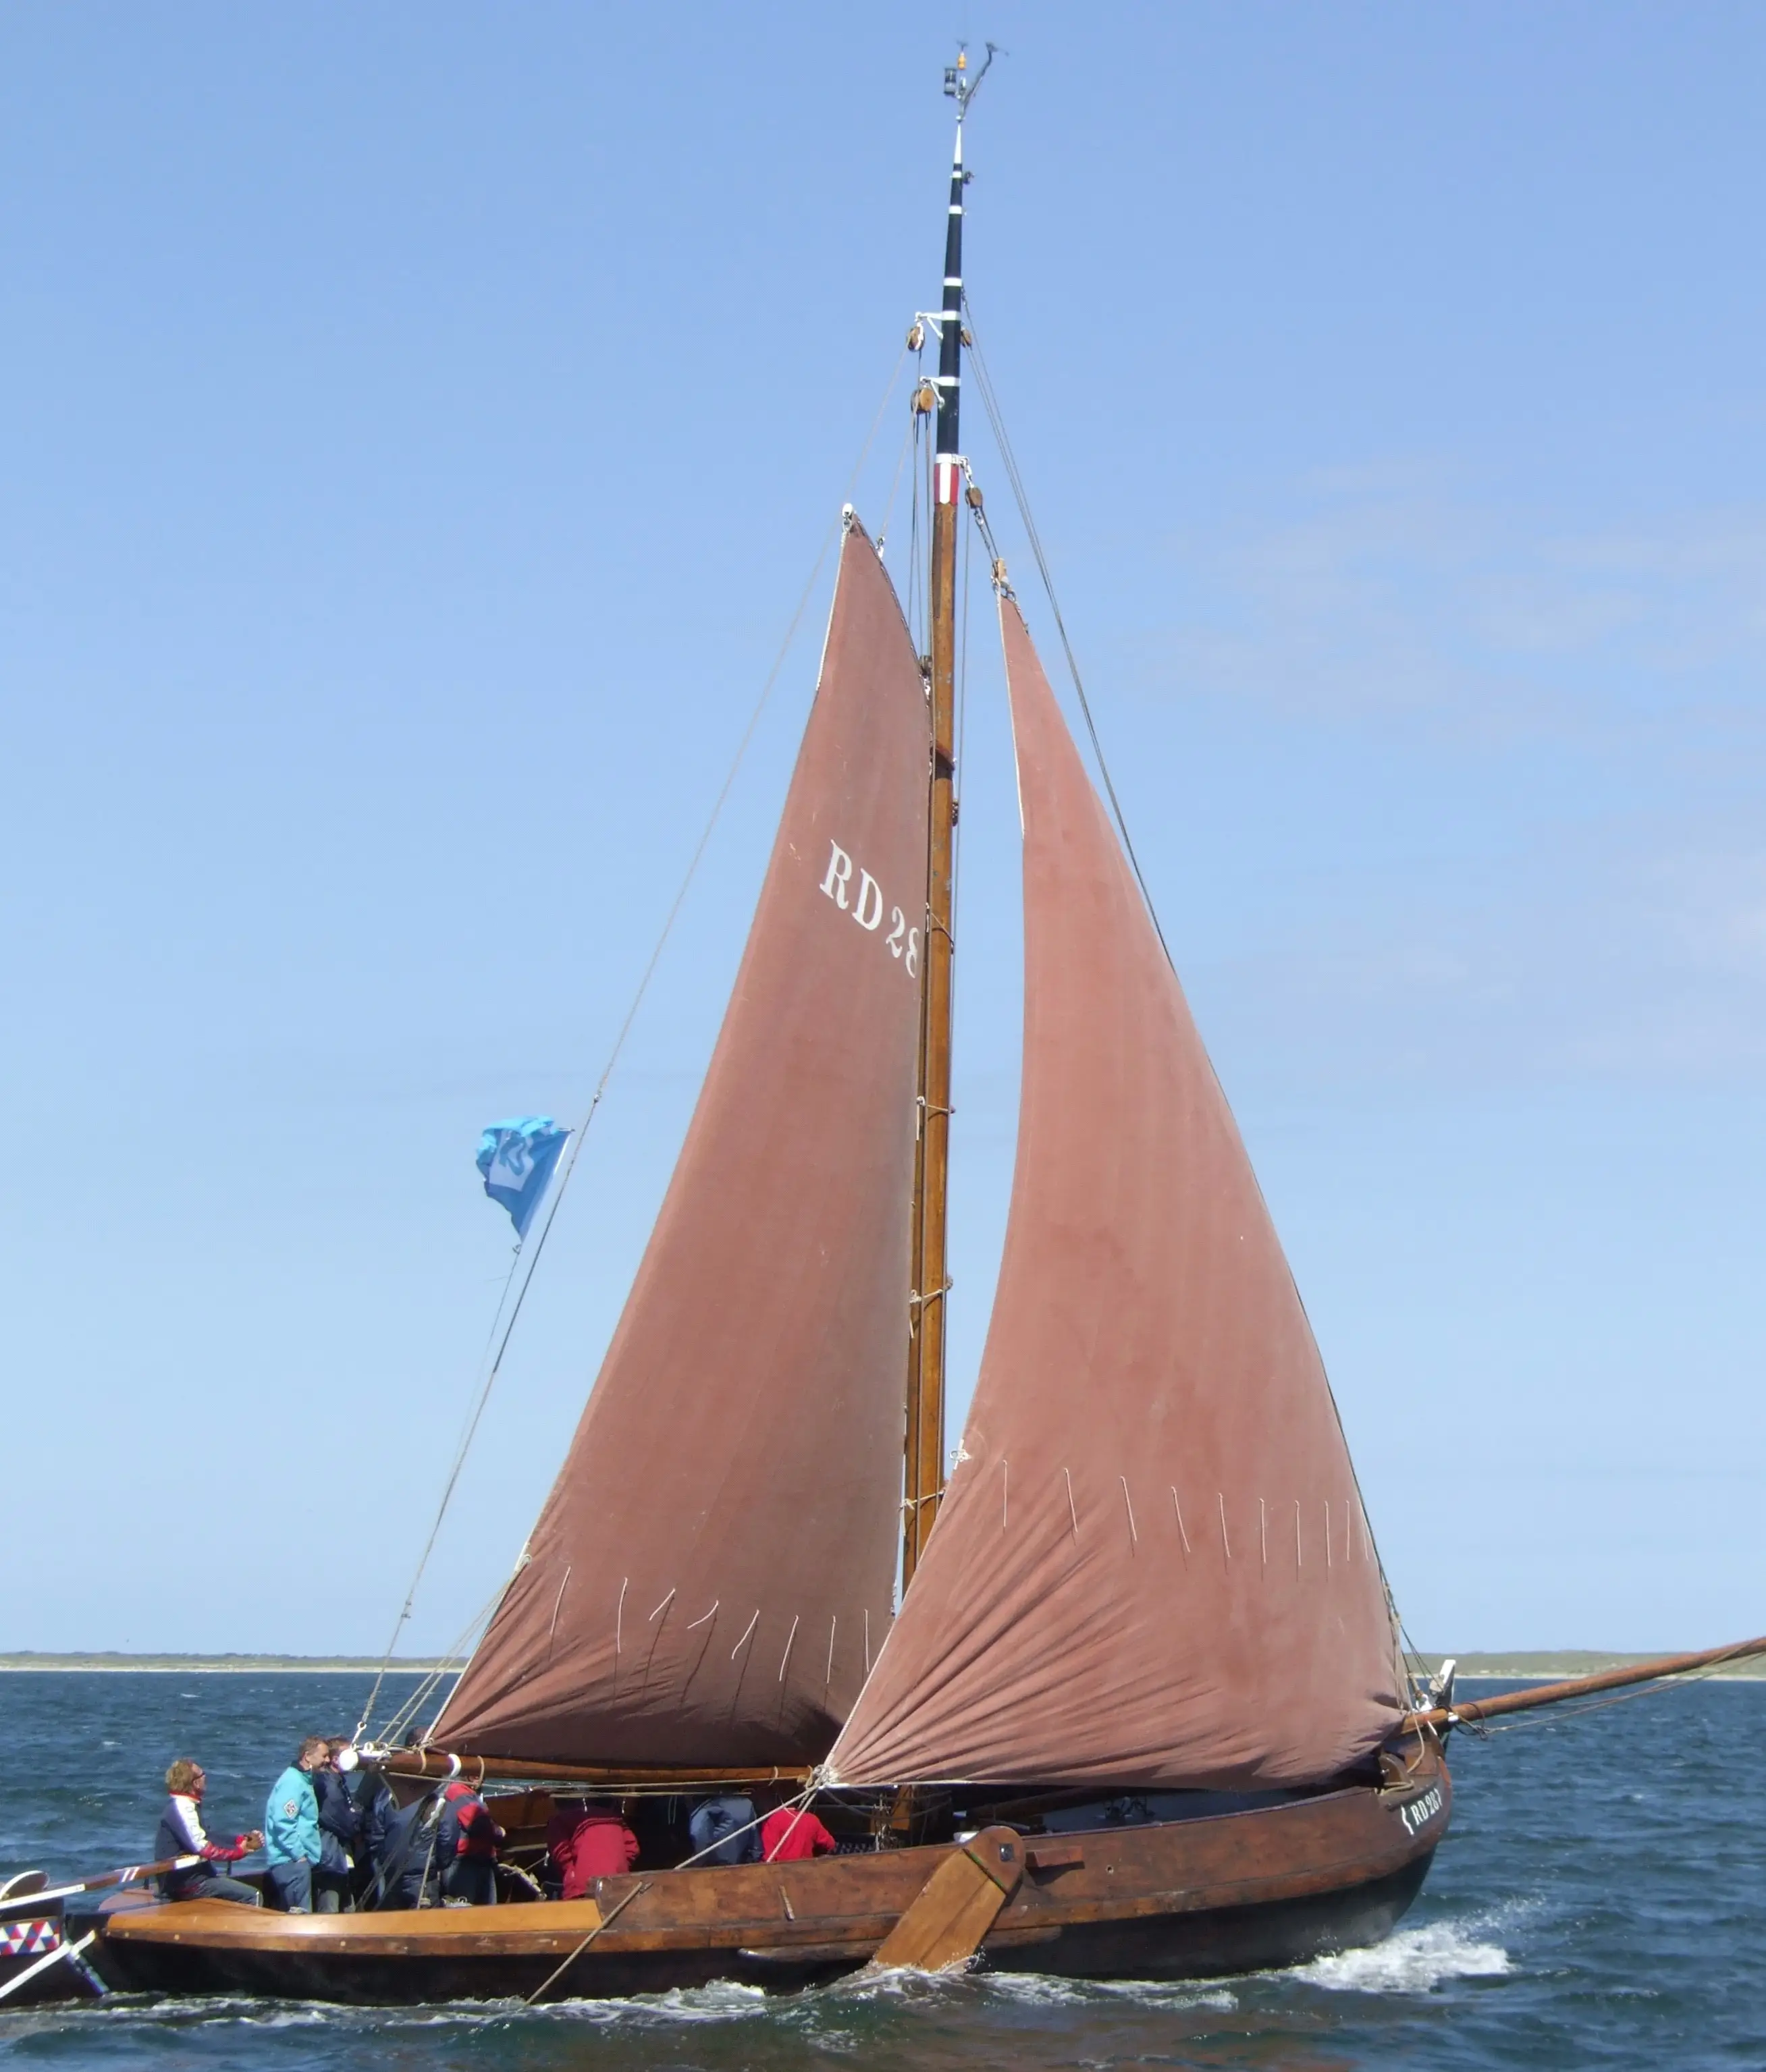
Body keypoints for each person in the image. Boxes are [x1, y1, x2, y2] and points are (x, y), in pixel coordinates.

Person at [155, 1759, 263, 1904]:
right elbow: (202, 1847)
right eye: (203, 1775)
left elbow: (208, 1836)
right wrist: (239, 1852)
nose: (205, 1778)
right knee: (254, 1895)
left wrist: (240, 1840)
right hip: (185, 1884)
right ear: (195, 1783)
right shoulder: (182, 1808)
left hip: (192, 1878)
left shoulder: (187, 1804)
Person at [263, 1735, 329, 1912]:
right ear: (307, 1756)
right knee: (300, 1917)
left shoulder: (304, 1781)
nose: (328, 1760)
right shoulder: (293, 1782)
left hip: (298, 1863)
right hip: (291, 1862)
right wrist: (300, 1856)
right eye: (324, 1756)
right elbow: (283, 1822)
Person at [545, 1799, 639, 1899]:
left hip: (583, 1888)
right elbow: (633, 1848)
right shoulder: (616, 1819)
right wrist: (619, 1867)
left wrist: (571, 1873)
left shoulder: (560, 1820)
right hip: (619, 1885)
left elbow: (559, 1850)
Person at [435, 1774, 506, 1907]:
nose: (480, 1778)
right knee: (465, 1911)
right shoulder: (458, 1791)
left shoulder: (469, 1794)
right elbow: (478, 1824)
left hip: (479, 1861)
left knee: (486, 1912)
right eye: (475, 1773)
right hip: (465, 1865)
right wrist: (499, 1832)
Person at [312, 1739, 363, 1913]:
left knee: (347, 1908)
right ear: (335, 1760)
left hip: (337, 1856)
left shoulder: (337, 1783)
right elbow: (345, 1824)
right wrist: (357, 1815)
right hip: (329, 1858)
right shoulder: (330, 1786)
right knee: (330, 1908)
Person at [687, 1794, 759, 1865]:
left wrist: (700, 1861)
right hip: (741, 1864)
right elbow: (755, 1840)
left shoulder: (708, 1807)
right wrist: (755, 1858)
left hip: (716, 1863)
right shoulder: (747, 1803)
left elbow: (699, 1834)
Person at [759, 1798, 838, 1863]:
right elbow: (830, 1844)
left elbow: (768, 1856)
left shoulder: (772, 1820)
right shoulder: (811, 1819)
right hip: (807, 1869)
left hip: (781, 1871)